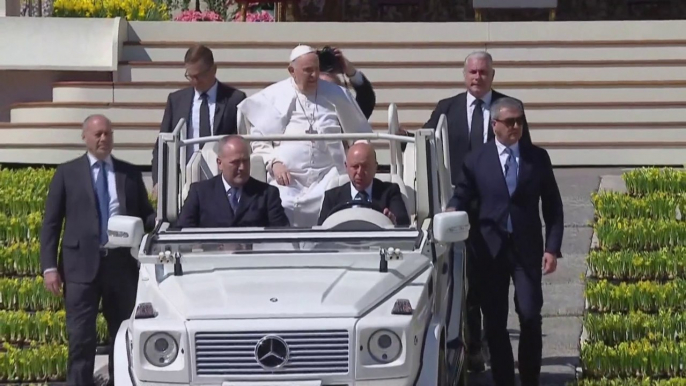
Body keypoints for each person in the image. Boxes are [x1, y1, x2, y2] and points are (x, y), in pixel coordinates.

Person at [423, 51, 534, 371]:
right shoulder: (447, 109)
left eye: (483, 72)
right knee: (465, 280)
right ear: (464, 74)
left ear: (492, 75)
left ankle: (490, 342)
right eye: (472, 72)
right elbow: (427, 140)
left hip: (498, 212)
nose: (477, 77)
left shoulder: (510, 108)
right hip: (460, 208)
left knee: (493, 282)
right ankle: (473, 347)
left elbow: (525, 154)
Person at [446, 97, 564, 386]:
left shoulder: (537, 158)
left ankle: (530, 378)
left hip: (526, 250)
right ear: (494, 124)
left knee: (530, 314)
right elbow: (463, 193)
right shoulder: (477, 160)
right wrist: (451, 210)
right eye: (509, 121)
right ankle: (503, 380)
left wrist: (552, 247)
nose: (515, 126)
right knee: (495, 322)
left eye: (520, 121)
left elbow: (553, 205)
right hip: (489, 250)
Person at [40, 114, 156, 386]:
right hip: (80, 267)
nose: (104, 138)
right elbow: (51, 224)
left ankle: (123, 381)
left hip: (121, 266)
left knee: (123, 334)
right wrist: (49, 267)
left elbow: (146, 215)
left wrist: (163, 219)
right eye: (98, 134)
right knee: (81, 337)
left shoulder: (128, 173)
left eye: (108, 133)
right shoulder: (67, 173)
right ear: (85, 137)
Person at [237, 44, 374, 228]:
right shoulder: (273, 96)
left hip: (328, 175)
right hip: (287, 179)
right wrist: (273, 163)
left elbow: (359, 135)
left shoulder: (337, 94)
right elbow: (259, 143)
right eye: (308, 71)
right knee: (279, 203)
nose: (315, 76)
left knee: (335, 202)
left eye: (316, 70)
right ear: (292, 71)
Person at [152, 44, 247, 191]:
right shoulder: (176, 100)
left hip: (221, 178)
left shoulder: (234, 99)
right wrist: (159, 181)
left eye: (199, 76)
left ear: (214, 70)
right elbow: (162, 145)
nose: (194, 81)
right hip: (184, 180)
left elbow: (241, 142)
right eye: (190, 76)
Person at [176, 135, 290, 228]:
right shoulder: (200, 193)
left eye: (245, 161)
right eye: (235, 162)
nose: (242, 167)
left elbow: (281, 235)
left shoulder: (267, 194)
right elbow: (182, 232)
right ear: (219, 163)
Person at [317, 142, 410, 226]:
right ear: (346, 167)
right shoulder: (332, 197)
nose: (360, 172)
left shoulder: (389, 192)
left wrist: (393, 221)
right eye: (355, 166)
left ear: (375, 167)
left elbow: (404, 223)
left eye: (365, 166)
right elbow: (321, 232)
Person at [317, 46, 376, 119]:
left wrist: (352, 72)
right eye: (325, 89)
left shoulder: (351, 118)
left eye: (335, 90)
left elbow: (366, 99)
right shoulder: (304, 112)